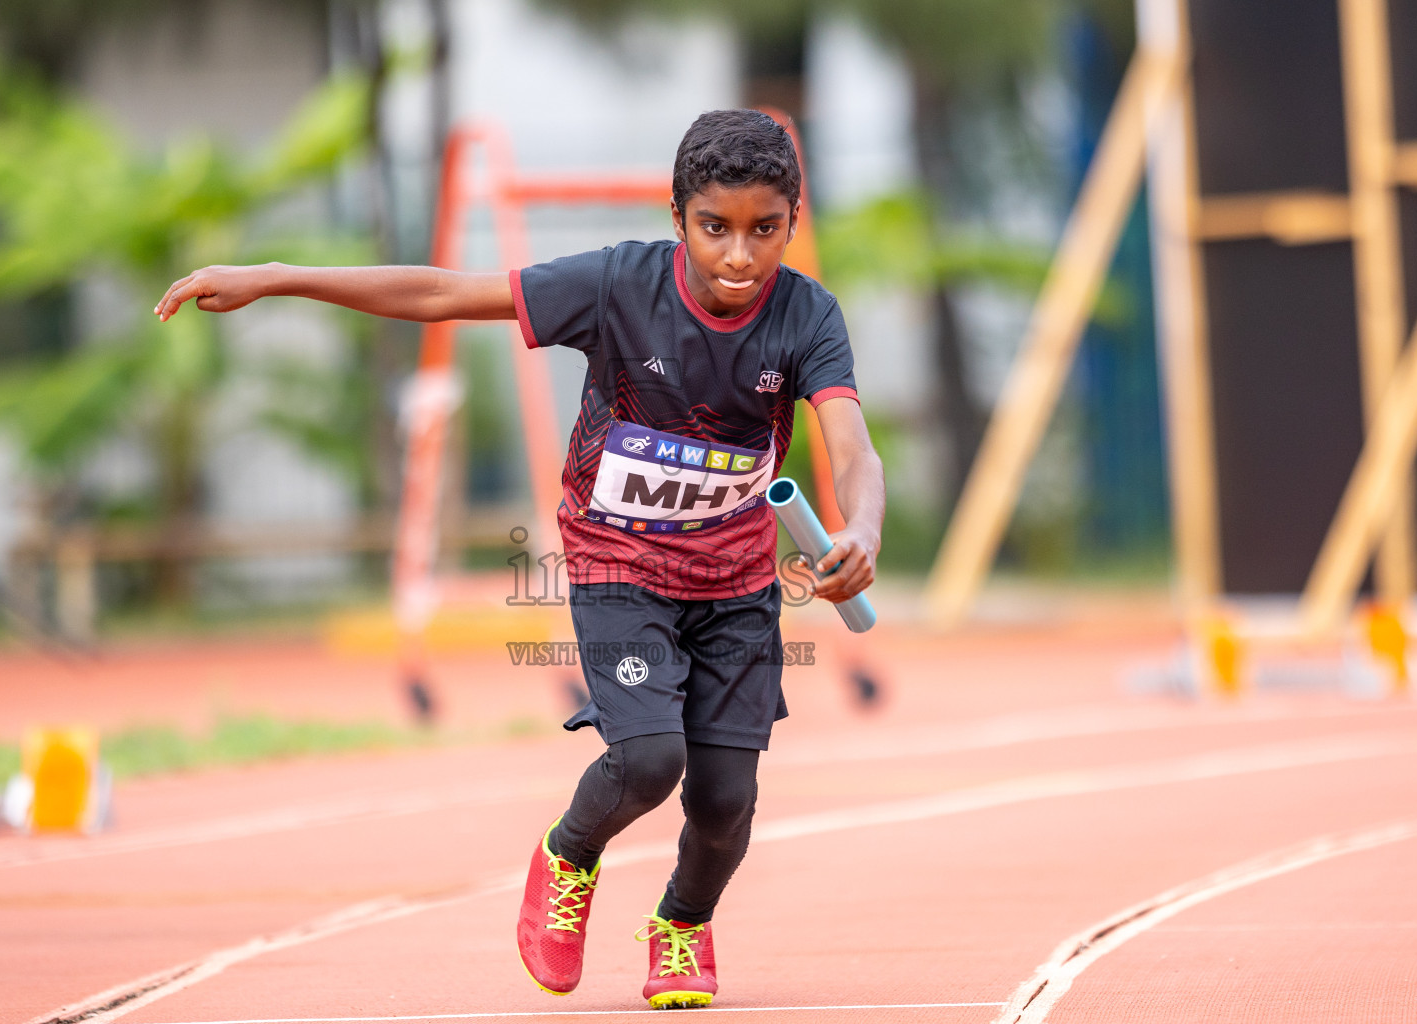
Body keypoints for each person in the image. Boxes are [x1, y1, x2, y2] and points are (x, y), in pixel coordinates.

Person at [155, 108, 884, 1010]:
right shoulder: (618, 288)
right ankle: (567, 855)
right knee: (651, 758)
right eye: (716, 229)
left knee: (727, 798)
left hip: (736, 581)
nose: (739, 257)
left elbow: (851, 447)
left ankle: (681, 927)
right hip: (619, 560)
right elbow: (441, 293)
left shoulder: (808, 316)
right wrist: (276, 278)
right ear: (677, 217)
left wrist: (864, 531)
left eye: (764, 231)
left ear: (793, 220)